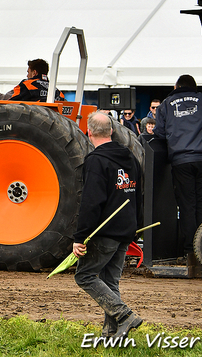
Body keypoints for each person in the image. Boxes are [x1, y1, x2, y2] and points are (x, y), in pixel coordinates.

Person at [73, 111, 143, 339]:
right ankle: (110, 332)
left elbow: (91, 202)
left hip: (105, 232)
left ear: (89, 132)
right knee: (109, 281)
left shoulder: (96, 161)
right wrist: (135, 226)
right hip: (125, 230)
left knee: (84, 276)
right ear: (112, 131)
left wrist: (80, 237)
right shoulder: (130, 157)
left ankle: (124, 315)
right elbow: (137, 195)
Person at [154, 74, 202, 261]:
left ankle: (190, 251)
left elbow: (159, 132)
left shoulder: (167, 104)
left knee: (187, 205)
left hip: (181, 161)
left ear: (176, 87)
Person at [0, 59, 65, 106]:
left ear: (34, 73)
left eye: (28, 72)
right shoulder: (57, 92)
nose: (27, 76)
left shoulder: (27, 85)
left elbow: (5, 100)